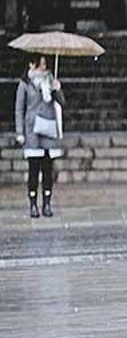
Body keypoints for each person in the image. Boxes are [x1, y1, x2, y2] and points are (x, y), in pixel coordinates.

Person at [15, 55, 65, 218]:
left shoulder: (51, 80)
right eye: (40, 64)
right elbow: (19, 109)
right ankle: (33, 204)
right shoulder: (25, 83)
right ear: (31, 64)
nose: (43, 68)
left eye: (45, 64)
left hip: (48, 129)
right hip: (32, 131)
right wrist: (20, 132)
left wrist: (57, 89)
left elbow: (62, 103)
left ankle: (47, 203)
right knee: (33, 169)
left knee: (48, 169)